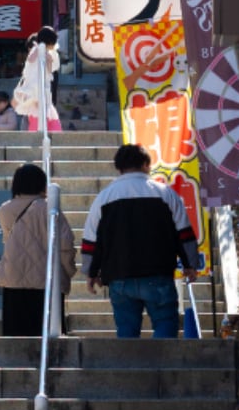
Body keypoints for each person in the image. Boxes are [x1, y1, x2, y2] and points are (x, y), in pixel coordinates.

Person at [82, 144, 201, 339]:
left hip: (119, 277)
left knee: (127, 331)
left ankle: (130, 369)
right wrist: (190, 264)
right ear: (147, 164)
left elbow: (92, 241)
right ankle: (160, 367)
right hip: (158, 273)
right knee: (165, 324)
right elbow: (184, 233)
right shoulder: (165, 193)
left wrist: (91, 272)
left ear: (118, 168)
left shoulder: (104, 197)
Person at [0, 163, 77, 337]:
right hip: (46, 281)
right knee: (47, 334)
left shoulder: (5, 210)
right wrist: (67, 271)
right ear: (41, 184)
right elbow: (65, 245)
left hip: (13, 280)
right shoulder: (50, 209)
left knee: (16, 337)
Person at [13, 26, 63, 132]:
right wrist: (38, 51)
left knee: (49, 118)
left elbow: (50, 71)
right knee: (36, 119)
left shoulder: (50, 53)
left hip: (44, 90)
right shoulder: (36, 48)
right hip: (34, 92)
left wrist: (49, 60)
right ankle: (37, 140)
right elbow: (30, 60)